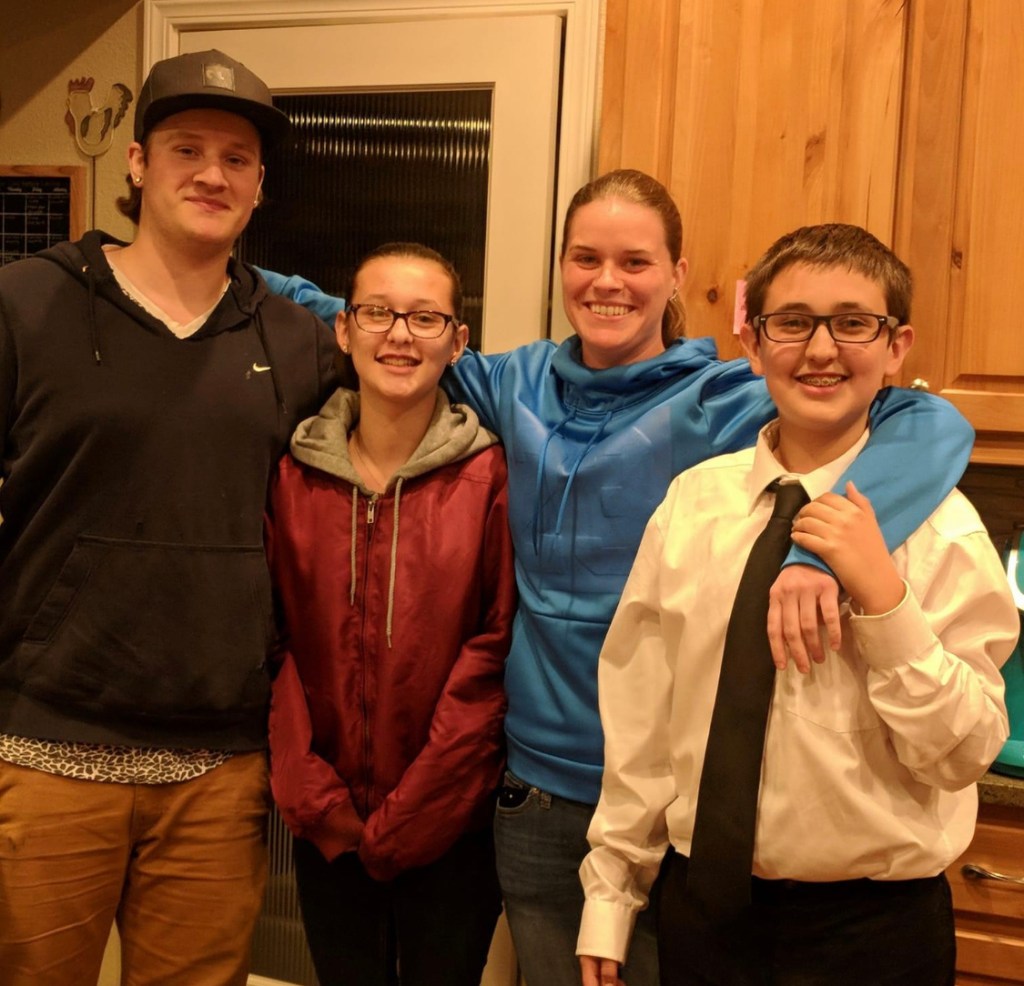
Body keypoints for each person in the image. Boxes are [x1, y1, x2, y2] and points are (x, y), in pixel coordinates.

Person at [259, 170, 975, 985]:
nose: (608, 281)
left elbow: (931, 422)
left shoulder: (729, 397)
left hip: (677, 808)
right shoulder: (512, 383)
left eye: (635, 262)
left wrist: (818, 555)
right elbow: (377, 321)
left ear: (677, 274)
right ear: (561, 267)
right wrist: (225, 265)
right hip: (533, 792)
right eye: (586, 258)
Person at [577, 223, 1019, 986]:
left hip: (874, 934)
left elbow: (964, 754)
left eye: (853, 323)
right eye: (792, 323)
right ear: (753, 343)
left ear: (896, 347)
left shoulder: (945, 531)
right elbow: (643, 719)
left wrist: (883, 600)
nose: (820, 350)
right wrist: (611, 895)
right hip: (703, 917)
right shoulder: (693, 506)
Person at [0, 50, 339, 985]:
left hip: (219, 768)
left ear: (260, 186)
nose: (211, 175)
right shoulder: (26, 303)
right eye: (187, 149)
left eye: (237, 159)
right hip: (45, 747)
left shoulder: (298, 342)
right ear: (139, 164)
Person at [265, 242, 516, 986]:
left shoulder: (490, 478)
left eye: (424, 317)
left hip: (452, 826)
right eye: (378, 313)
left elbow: (494, 648)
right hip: (328, 825)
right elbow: (273, 643)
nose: (399, 335)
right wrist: (314, 798)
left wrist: (419, 811)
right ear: (344, 330)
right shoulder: (293, 477)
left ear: (457, 341)